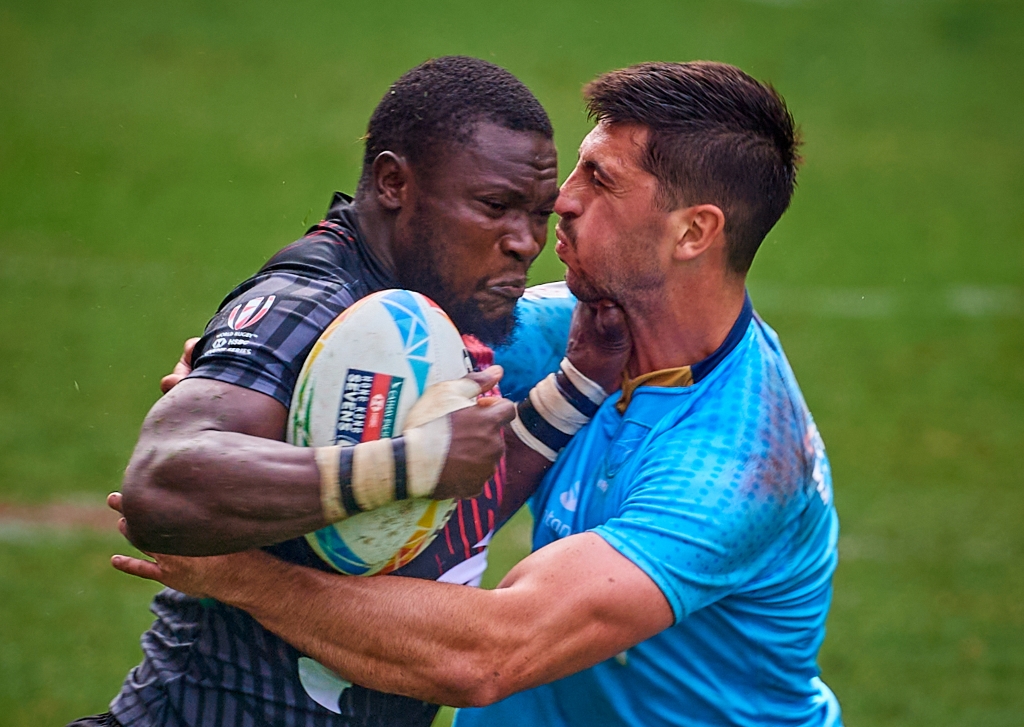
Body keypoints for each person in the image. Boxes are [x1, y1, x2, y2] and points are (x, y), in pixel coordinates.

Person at [112, 60, 843, 727]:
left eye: (600, 180)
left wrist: (239, 574)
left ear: (693, 232)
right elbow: (355, 345)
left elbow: (488, 655)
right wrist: (249, 378)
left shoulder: (737, 466)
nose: (563, 201)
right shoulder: (578, 335)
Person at [74, 56, 627, 727]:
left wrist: (579, 383)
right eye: (494, 207)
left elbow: (431, 518)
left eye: (539, 214)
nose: (525, 242)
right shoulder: (309, 302)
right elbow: (161, 484)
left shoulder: (435, 301)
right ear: (394, 183)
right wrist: (411, 462)